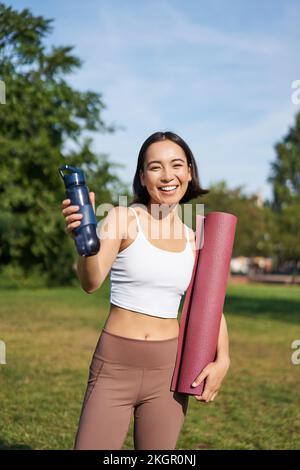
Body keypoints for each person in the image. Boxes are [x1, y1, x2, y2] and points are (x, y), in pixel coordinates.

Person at [61, 131, 231, 450]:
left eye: (177, 165)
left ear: (190, 172)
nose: (167, 176)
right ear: (142, 176)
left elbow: (210, 305)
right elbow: (91, 282)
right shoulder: (123, 219)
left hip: (169, 372)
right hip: (115, 366)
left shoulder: (195, 238)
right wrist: (82, 241)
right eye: (155, 167)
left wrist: (224, 358)